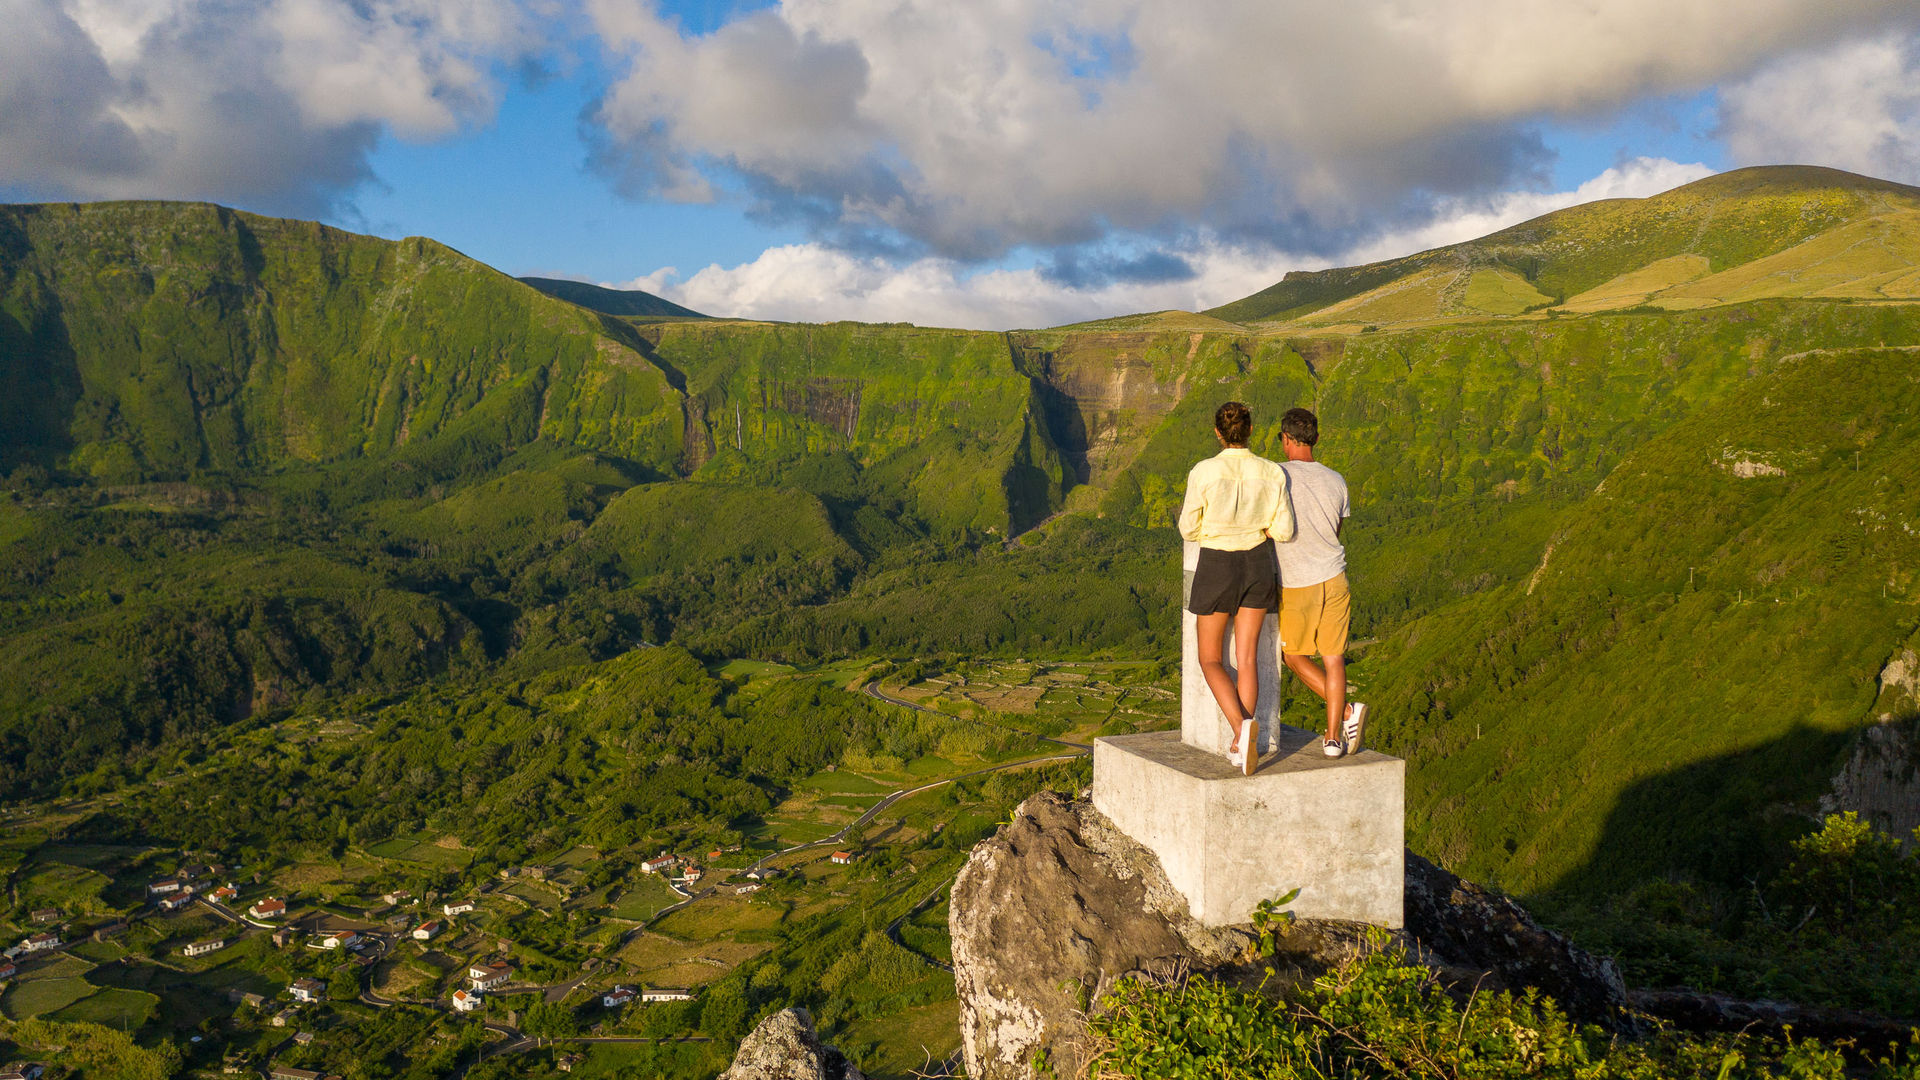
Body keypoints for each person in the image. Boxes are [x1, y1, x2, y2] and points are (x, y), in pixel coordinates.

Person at [1178, 401, 1294, 776]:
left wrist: (1212, 532)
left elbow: (1187, 529)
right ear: (1250, 431)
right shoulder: (1272, 472)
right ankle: (1241, 745)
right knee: (1247, 658)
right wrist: (1260, 529)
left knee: (1210, 659)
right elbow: (1285, 531)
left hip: (1217, 563)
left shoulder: (1204, 472)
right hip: (1258, 563)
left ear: (1218, 432)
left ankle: (1240, 729)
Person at [1273, 407, 1368, 758]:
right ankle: (1332, 738)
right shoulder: (1337, 480)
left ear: (1286, 439)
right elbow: (1336, 530)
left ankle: (1346, 712)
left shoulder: (1278, 476)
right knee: (1333, 658)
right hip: (1336, 575)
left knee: (1294, 656)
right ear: (1315, 438)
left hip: (1299, 582)